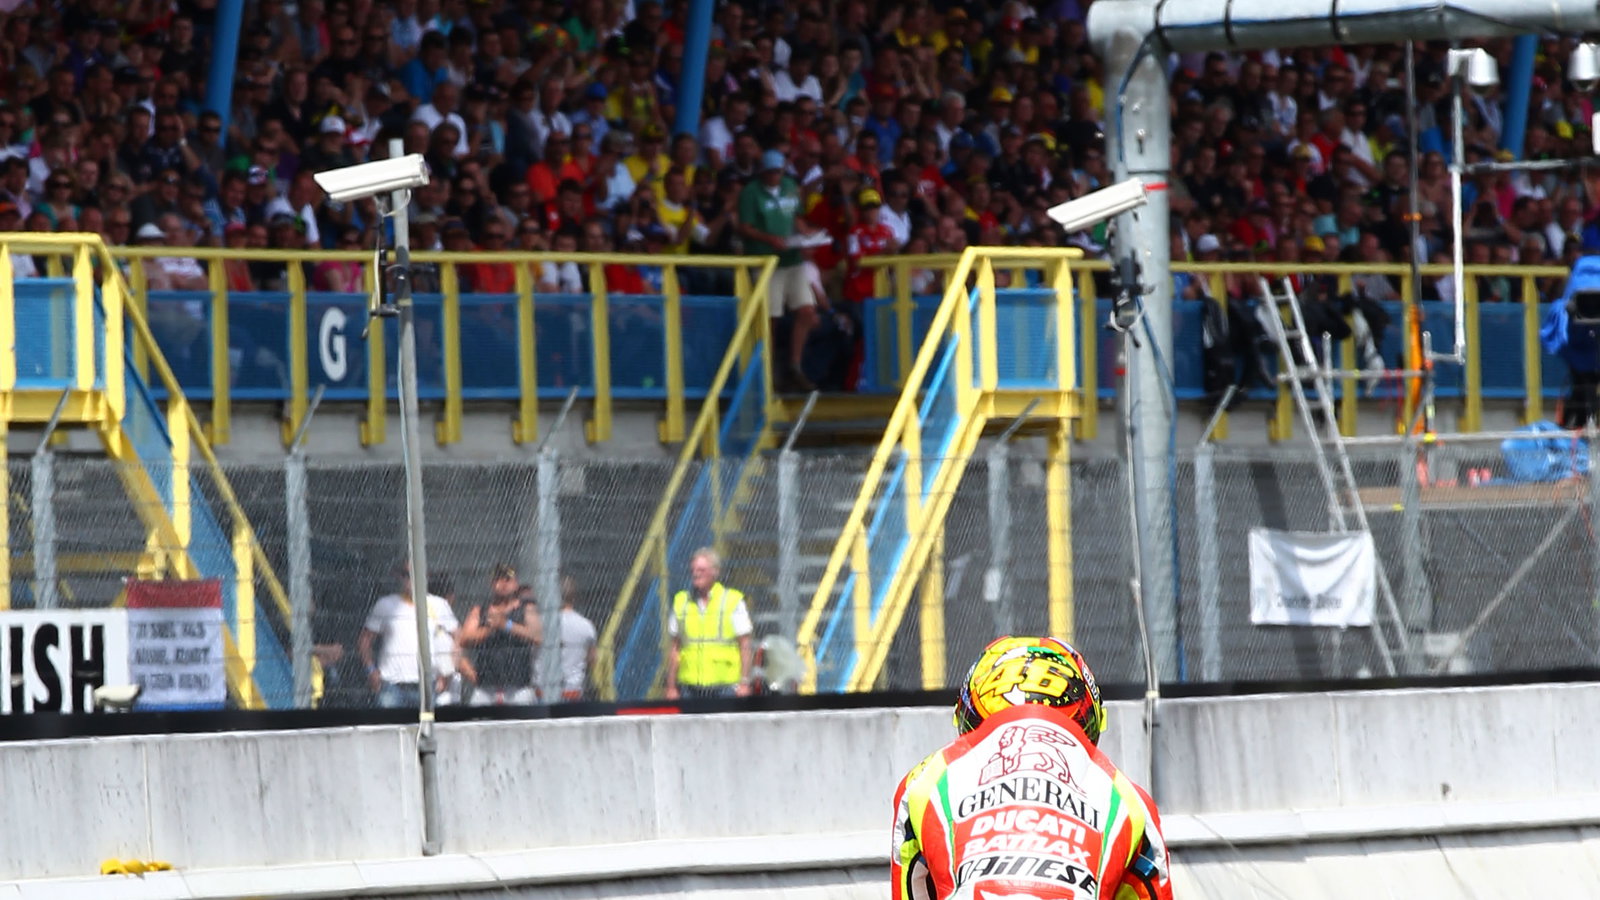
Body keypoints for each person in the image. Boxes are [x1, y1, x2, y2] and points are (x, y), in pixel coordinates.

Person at [891, 636, 1172, 900]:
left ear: (969, 716)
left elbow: (910, 886)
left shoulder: (924, 781)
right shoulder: (1129, 799)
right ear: (1090, 720)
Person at [356, 563, 460, 709]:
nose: (411, 579)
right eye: (407, 575)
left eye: (417, 573)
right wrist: (370, 670)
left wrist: (447, 673)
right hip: (391, 686)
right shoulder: (385, 605)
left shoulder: (439, 605)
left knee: (427, 729)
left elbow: (456, 639)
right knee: (390, 729)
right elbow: (365, 640)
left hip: (428, 686)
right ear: (400, 577)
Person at [664, 547, 753, 700]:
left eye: (701, 569)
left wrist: (744, 683)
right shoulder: (681, 602)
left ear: (715, 572)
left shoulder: (732, 601)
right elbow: (675, 648)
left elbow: (745, 646)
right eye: (693, 569)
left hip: (725, 687)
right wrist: (671, 687)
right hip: (689, 688)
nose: (696, 573)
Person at [455, 563, 542, 706]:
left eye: (507, 579)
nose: (503, 584)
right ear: (492, 583)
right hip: (486, 687)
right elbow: (465, 638)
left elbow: (537, 636)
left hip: (518, 686)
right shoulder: (481, 609)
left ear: (515, 583)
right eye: (498, 580)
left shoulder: (526, 607)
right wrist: (490, 629)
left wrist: (506, 625)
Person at [557, 574, 597, 701]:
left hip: (545, 692)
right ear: (574, 597)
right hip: (574, 691)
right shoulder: (586, 625)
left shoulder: (545, 623)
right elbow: (592, 658)